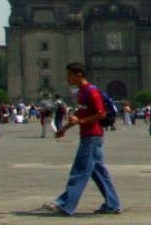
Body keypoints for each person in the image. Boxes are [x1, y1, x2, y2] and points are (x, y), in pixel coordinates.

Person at [44, 62, 122, 216]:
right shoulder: (82, 92)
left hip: (92, 136)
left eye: (69, 75)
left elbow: (101, 114)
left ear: (79, 74)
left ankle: (66, 204)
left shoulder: (91, 92)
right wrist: (64, 129)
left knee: (79, 170)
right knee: (98, 172)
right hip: (90, 135)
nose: (68, 78)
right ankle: (113, 204)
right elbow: (79, 115)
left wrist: (81, 122)